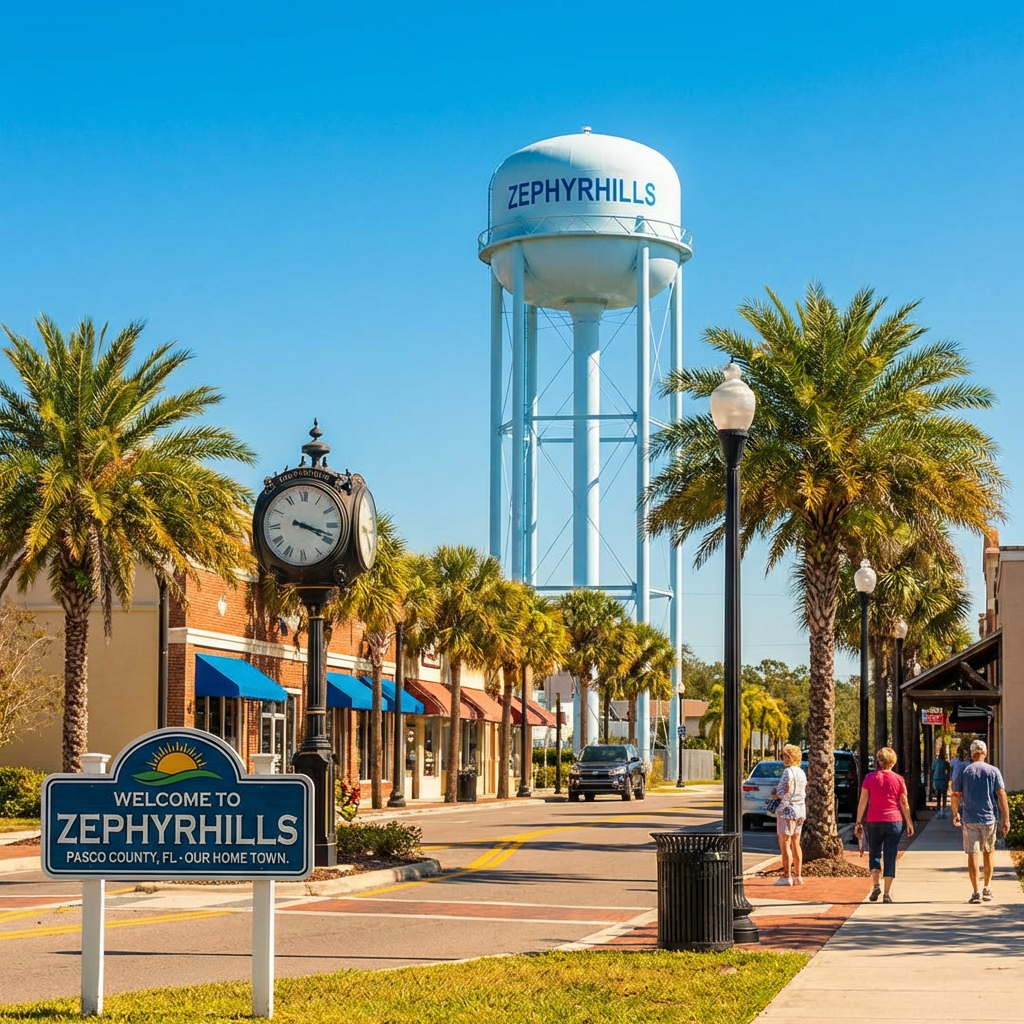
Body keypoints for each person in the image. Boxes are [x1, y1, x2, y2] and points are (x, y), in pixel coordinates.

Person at [951, 738, 1010, 904]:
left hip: (969, 819)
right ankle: (987, 887)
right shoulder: (993, 771)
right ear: (984, 753)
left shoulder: (963, 771)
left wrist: (955, 812)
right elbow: (1001, 794)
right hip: (989, 818)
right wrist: (1006, 818)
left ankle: (975, 890)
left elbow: (955, 794)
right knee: (989, 851)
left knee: (972, 854)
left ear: (972, 753)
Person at [855, 746, 914, 903]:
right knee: (890, 855)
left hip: (874, 821)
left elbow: (863, 801)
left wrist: (858, 821)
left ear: (879, 762)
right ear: (893, 762)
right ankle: (887, 893)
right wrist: (908, 821)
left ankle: (876, 885)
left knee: (874, 853)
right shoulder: (899, 780)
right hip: (894, 821)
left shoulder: (870, 778)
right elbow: (904, 802)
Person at [771, 743, 807, 886]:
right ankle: (798, 875)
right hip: (800, 809)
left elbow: (782, 791)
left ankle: (787, 876)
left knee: (785, 842)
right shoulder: (802, 772)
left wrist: (775, 795)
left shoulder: (788, 772)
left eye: (787, 756)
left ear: (792, 757)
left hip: (787, 810)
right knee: (796, 842)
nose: (784, 758)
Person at [932, 749, 951, 818]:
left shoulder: (935, 762)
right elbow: (948, 772)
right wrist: (948, 779)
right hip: (943, 779)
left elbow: (933, 770)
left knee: (939, 794)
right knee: (944, 794)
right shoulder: (945, 763)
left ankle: (938, 807)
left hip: (937, 779)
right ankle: (944, 807)